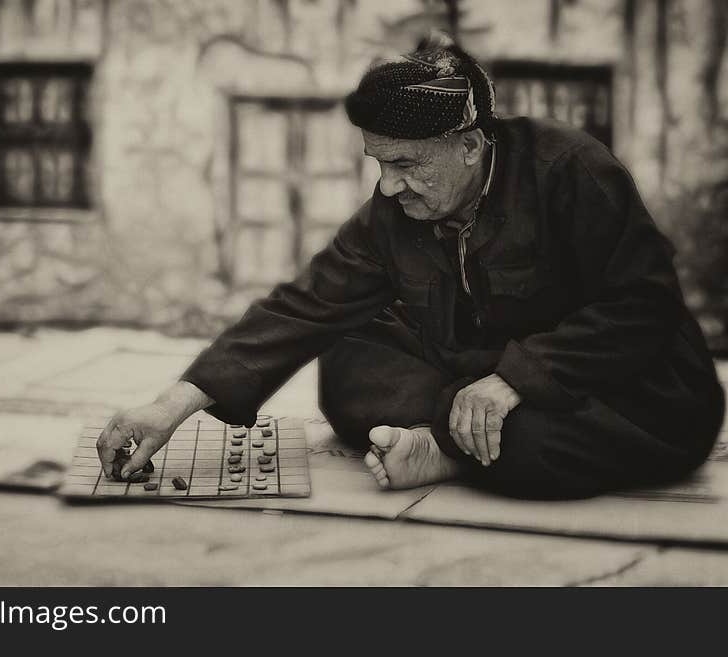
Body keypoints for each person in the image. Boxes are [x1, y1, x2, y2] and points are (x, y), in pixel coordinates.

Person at [97, 41, 724, 499]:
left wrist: (517, 380)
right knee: (344, 361)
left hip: (617, 384)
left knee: (531, 443)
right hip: (474, 369)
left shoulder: (572, 169)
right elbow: (305, 304)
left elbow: (643, 307)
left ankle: (449, 448)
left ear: (470, 147)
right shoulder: (397, 207)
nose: (388, 185)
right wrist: (170, 405)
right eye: (377, 163)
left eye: (404, 164)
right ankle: (462, 432)